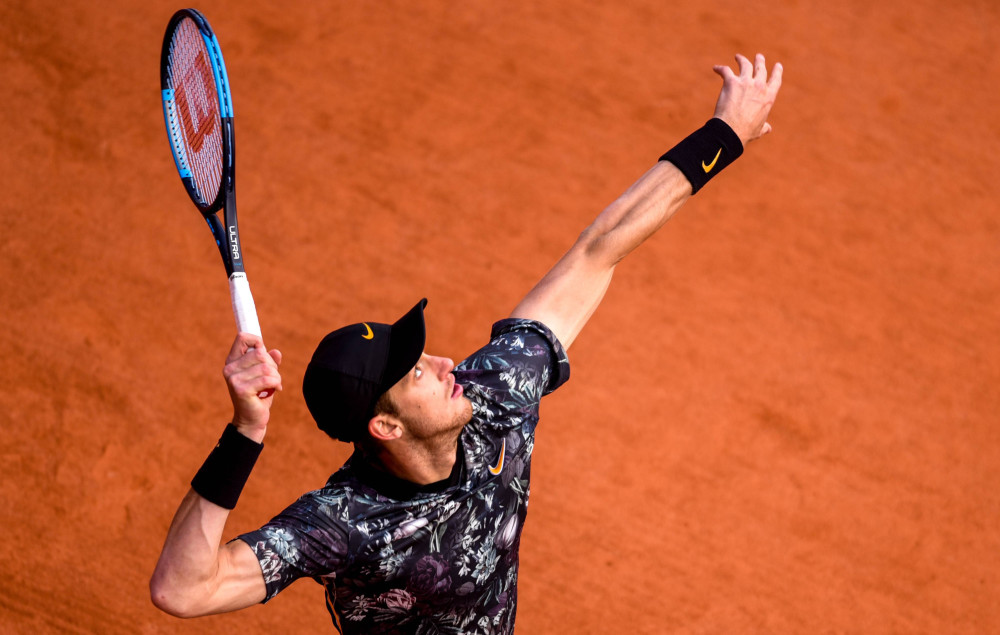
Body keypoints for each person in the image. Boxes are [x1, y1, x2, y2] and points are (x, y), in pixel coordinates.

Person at [151, 53, 783, 633]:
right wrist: (245, 433)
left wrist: (723, 136)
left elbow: (598, 249)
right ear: (386, 427)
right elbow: (182, 590)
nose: (444, 362)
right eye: (415, 372)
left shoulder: (493, 400)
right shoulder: (345, 524)